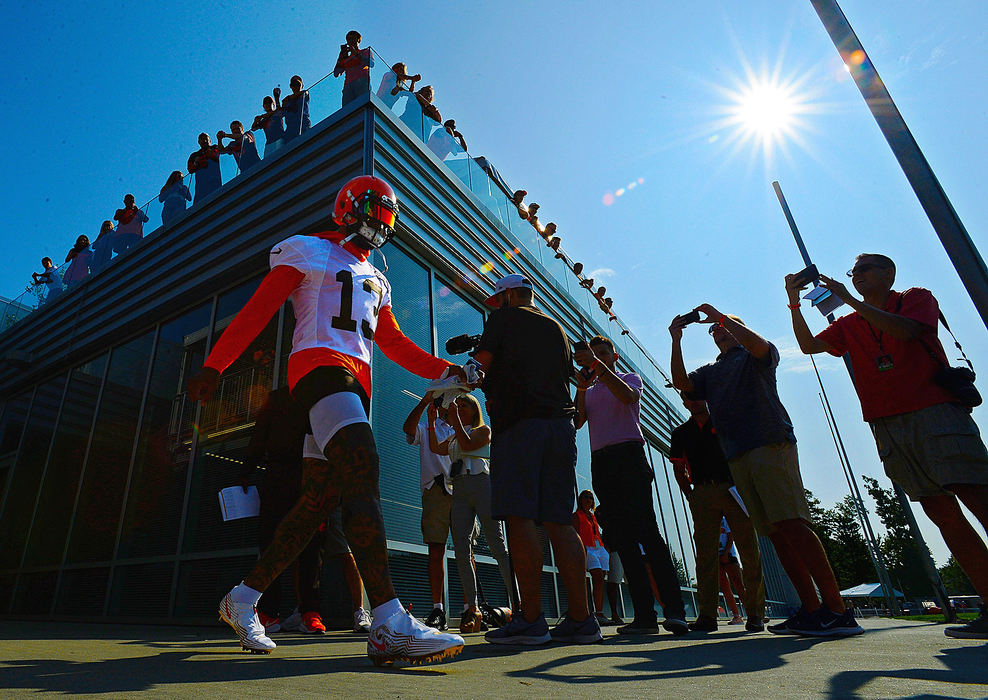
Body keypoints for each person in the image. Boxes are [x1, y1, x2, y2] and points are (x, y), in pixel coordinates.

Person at [186, 175, 466, 664]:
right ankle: (387, 621)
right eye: (373, 212)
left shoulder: (378, 278)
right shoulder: (307, 249)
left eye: (386, 215)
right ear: (346, 209)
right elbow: (259, 309)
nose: (380, 223)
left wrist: (448, 370)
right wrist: (215, 363)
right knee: (363, 469)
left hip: (354, 385)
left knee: (316, 503)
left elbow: (394, 343)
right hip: (318, 370)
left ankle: (244, 597)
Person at [786, 253, 988, 640]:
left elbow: (908, 332)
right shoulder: (849, 323)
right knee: (941, 511)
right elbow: (810, 345)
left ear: (888, 273)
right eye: (853, 272)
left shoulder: (915, 297)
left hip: (935, 412)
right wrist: (794, 303)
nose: (856, 276)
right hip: (887, 422)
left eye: (864, 269)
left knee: (977, 496)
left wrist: (848, 298)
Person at [669, 307, 863, 637]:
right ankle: (812, 610)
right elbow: (682, 383)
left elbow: (760, 347)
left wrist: (720, 315)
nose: (719, 330)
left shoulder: (754, 355)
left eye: (725, 326)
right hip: (738, 454)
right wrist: (676, 340)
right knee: (775, 531)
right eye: (714, 329)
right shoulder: (711, 372)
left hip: (769, 443)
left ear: (739, 328)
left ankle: (838, 610)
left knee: (792, 522)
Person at [467, 273, 601, 646]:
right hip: (560, 428)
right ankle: (581, 620)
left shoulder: (503, 319)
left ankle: (530, 620)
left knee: (518, 516)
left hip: (521, 427)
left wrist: (462, 374)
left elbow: (480, 367)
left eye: (498, 300)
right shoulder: (556, 328)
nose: (495, 307)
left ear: (509, 295)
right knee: (560, 521)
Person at [574, 334, 689, 636]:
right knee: (622, 539)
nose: (594, 358)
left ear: (613, 357)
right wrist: (581, 386)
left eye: (601, 353)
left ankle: (675, 611)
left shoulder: (628, 378)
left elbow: (628, 397)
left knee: (647, 532)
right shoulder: (591, 387)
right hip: (602, 461)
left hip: (629, 456)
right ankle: (644, 617)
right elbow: (577, 420)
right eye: (591, 355)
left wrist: (597, 366)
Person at [244, 386, 373, 635]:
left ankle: (309, 613)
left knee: (312, 550)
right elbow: (259, 437)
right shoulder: (278, 398)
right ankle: (268, 613)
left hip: (314, 480)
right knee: (272, 543)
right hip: (279, 480)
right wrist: (244, 473)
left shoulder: (324, 397)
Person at [669, 394, 765, 632]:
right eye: (688, 398)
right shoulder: (681, 433)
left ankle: (755, 614)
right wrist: (690, 494)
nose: (694, 401)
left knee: (749, 550)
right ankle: (707, 616)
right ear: (684, 403)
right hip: (702, 491)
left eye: (698, 396)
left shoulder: (725, 423)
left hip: (732, 489)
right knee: (705, 557)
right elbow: (678, 468)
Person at [428, 394, 513, 633]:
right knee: (461, 547)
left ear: (475, 409)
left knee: (497, 545)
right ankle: (472, 608)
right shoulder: (456, 434)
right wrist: (433, 422)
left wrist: (453, 420)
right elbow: (436, 448)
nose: (459, 408)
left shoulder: (483, 430)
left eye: (464, 405)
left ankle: (519, 604)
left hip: (482, 485)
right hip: (461, 487)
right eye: (458, 405)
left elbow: (468, 444)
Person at [403, 392, 455, 631]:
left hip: (461, 490)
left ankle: (471, 608)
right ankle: (438, 608)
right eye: (446, 400)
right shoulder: (426, 428)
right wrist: (424, 403)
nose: (450, 403)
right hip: (435, 488)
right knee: (436, 548)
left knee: (466, 551)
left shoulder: (465, 429)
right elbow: (408, 428)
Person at [573, 490, 609, 625]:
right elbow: (575, 533)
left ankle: (599, 611)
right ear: (580, 500)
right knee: (597, 576)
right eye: (585, 497)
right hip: (587, 547)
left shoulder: (593, 516)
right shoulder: (577, 515)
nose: (588, 500)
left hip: (599, 548)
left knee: (600, 579)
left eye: (590, 497)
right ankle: (590, 611)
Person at [593, 503, 625, 625]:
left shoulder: (621, 505)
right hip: (614, 548)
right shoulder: (601, 510)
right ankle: (614, 613)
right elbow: (603, 525)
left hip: (627, 547)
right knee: (613, 582)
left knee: (635, 581)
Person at [333, 30, 375, 106]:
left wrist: (356, 53)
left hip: (362, 82)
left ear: (358, 40)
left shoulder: (365, 51)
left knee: (363, 106)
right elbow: (336, 74)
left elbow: (371, 63)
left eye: (353, 38)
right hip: (348, 85)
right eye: (348, 39)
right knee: (347, 111)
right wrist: (340, 58)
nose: (350, 41)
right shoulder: (346, 58)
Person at [718, 517, 746, 624]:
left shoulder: (725, 520)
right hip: (717, 557)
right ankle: (736, 615)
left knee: (739, 585)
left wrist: (726, 553)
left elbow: (731, 537)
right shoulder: (708, 520)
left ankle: (754, 613)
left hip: (729, 555)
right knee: (725, 587)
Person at [187, 133, 222, 204]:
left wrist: (212, 155)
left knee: (218, 199)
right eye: (202, 139)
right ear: (199, 142)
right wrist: (196, 163)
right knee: (199, 203)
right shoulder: (194, 155)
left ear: (210, 140)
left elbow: (222, 158)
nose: (204, 141)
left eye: (206, 139)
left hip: (215, 180)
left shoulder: (215, 147)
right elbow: (190, 170)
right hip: (201, 185)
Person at [280, 75, 311, 142]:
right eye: (293, 84)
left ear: (302, 85)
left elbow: (304, 92)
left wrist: (288, 98)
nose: (296, 86)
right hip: (290, 128)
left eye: (298, 83)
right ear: (291, 86)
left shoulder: (304, 94)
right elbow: (280, 114)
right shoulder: (287, 101)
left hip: (303, 124)